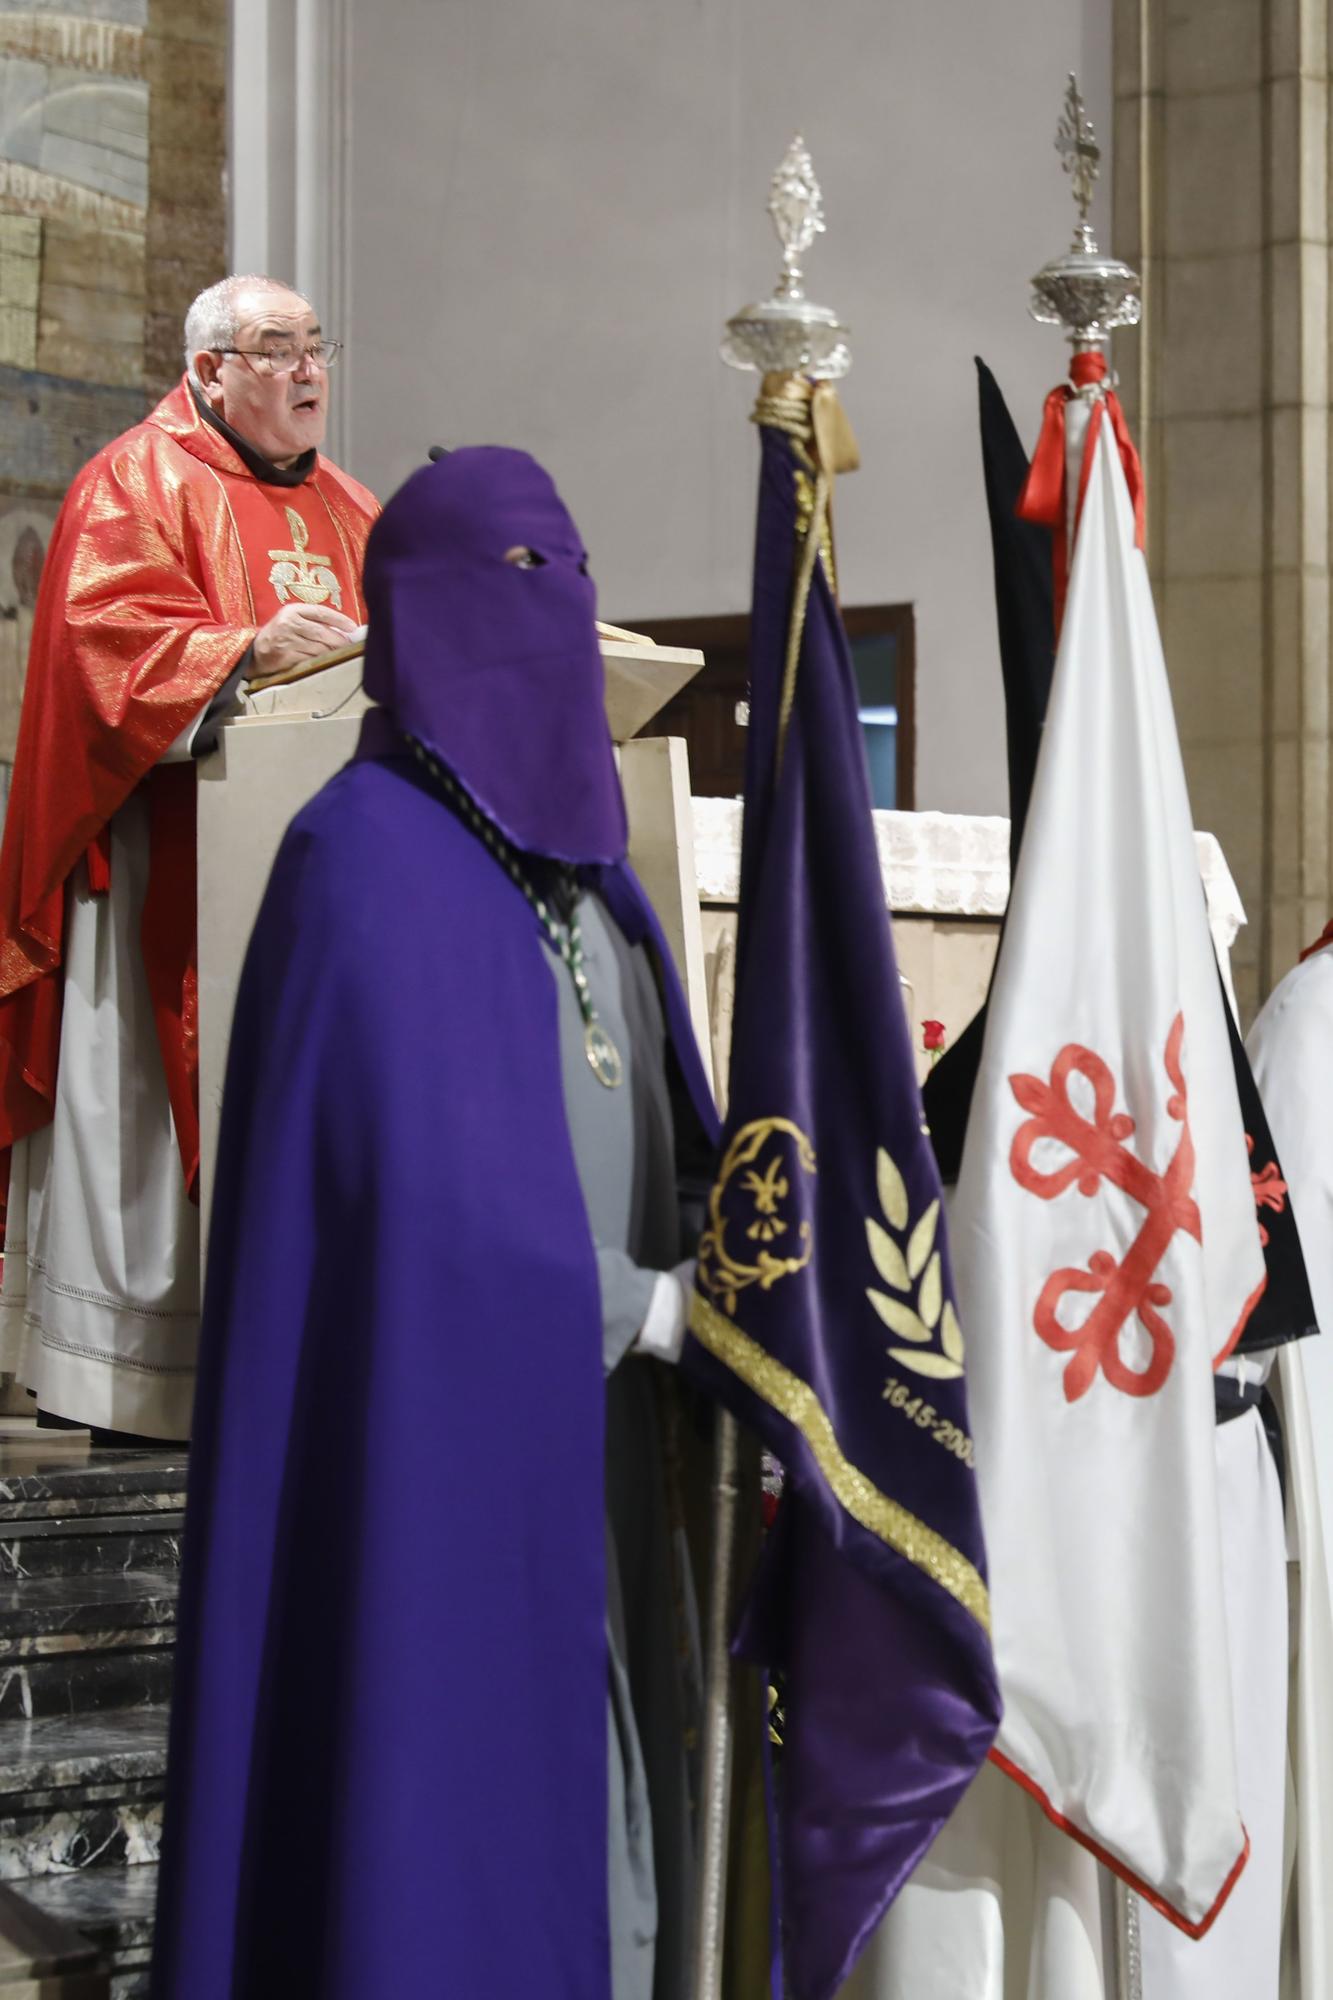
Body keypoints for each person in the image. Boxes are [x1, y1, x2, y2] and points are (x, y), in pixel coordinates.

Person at [150, 447, 726, 1999]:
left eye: (578, 568)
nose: (567, 606)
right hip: (435, 1469)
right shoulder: (362, 865)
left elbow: (675, 1125)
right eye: (525, 577)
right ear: (423, 613)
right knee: (454, 1849)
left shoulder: (601, 888)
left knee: (625, 1827)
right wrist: (652, 1308)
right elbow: (422, 1238)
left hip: (614, 1462)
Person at [0, 274, 378, 1443]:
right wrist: (243, 652)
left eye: (317, 345)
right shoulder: (135, 478)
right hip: (170, 861)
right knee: (151, 1117)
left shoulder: (357, 507)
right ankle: (137, 1372)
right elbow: (100, 655)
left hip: (320, 885)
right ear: (210, 369)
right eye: (277, 347)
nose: (308, 369)